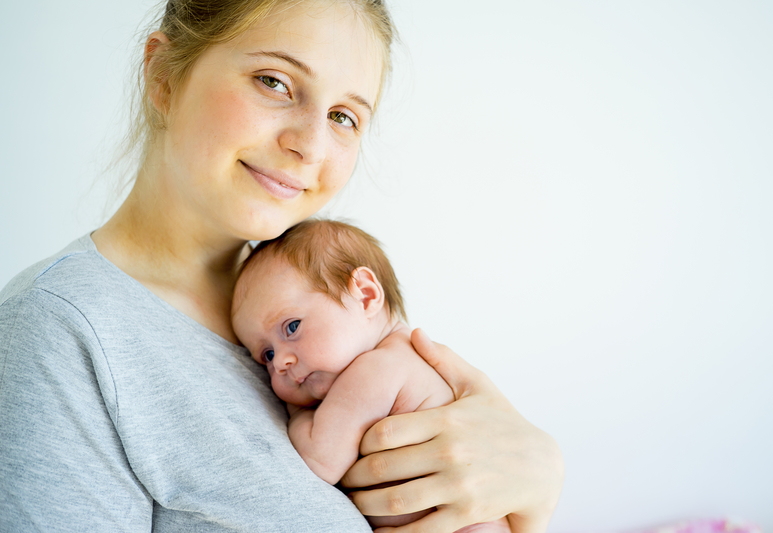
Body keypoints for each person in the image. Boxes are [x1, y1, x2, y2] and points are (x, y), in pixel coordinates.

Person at [0, 0, 564, 532]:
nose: (311, 146)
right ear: (164, 76)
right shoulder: (57, 331)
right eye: (274, 82)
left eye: (343, 116)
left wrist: (538, 478)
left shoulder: (320, 308)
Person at [232, 219, 510, 532]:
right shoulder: (402, 356)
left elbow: (321, 460)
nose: (281, 362)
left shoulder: (374, 370)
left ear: (365, 296)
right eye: (267, 355)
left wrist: (297, 414)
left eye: (292, 327)